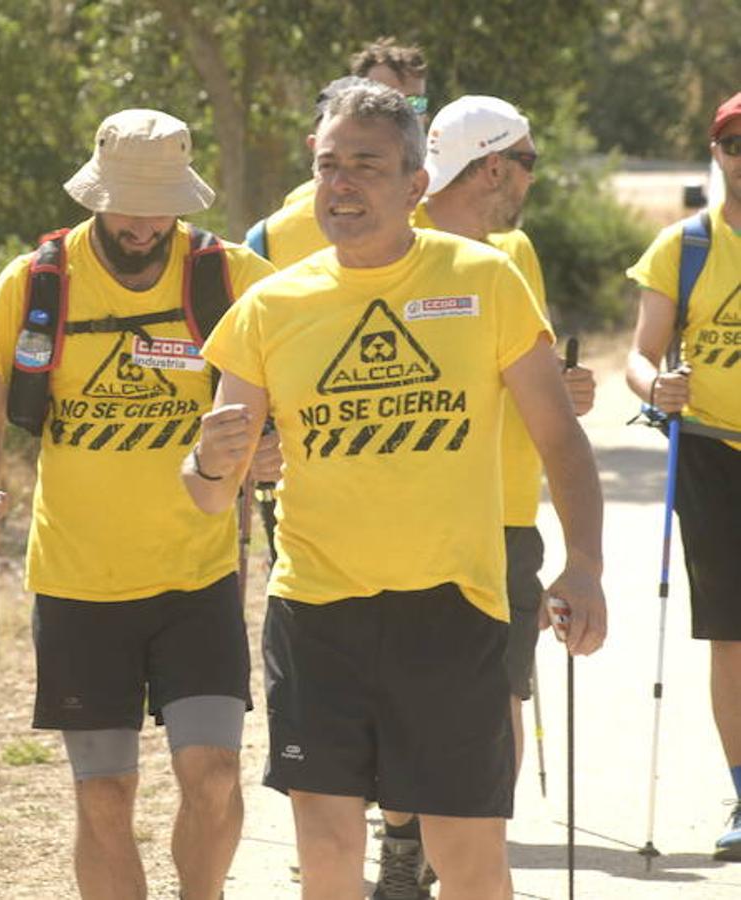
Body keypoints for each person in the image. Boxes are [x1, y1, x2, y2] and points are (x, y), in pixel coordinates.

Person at [188, 83, 607, 899]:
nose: (340, 184)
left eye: (365, 165)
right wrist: (208, 464)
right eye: (327, 165)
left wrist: (583, 564)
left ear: (416, 184)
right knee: (327, 855)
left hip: (451, 607)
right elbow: (209, 495)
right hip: (314, 614)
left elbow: (559, 437)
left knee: (468, 857)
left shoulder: (484, 280)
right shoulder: (269, 307)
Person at [0, 108, 275, 898]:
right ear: (96, 195)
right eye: (125, 206)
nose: (140, 226)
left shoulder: (231, 280)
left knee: (213, 774)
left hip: (197, 579)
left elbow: (298, 395)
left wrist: (276, 446)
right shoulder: (34, 284)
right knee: (103, 794)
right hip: (78, 585)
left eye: (158, 208)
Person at [355, 94, 600, 899]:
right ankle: (402, 847)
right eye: (526, 163)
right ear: (492, 167)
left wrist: (563, 389)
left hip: (502, 516)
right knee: (399, 703)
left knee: (500, 697)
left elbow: (530, 375)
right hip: (405, 514)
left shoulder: (515, 254)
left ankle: (474, 861)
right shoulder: (393, 244)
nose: (530, 179)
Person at [624, 89, 741, 862]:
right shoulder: (684, 246)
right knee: (731, 634)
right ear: (715, 152)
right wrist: (655, 388)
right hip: (708, 452)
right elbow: (640, 357)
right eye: (734, 145)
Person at [246, 37, 429, 269]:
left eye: (415, 102)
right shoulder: (269, 237)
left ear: (416, 187)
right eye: (383, 100)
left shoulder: (447, 213)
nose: (401, 113)